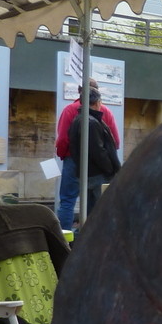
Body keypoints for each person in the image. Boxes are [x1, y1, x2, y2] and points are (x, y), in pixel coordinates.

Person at [55, 79, 120, 230]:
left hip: (73, 160)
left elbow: (63, 139)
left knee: (68, 200)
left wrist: (64, 154)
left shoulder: (71, 110)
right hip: (98, 166)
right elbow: (115, 141)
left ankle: (64, 239)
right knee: (95, 202)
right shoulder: (105, 112)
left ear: (80, 91)